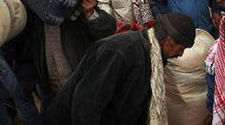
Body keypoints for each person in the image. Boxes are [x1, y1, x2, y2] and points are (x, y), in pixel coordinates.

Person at [45, 13, 197, 124]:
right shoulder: (120, 51)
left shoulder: (153, 57)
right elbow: (86, 105)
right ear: (168, 41)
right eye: (180, 48)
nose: (181, 54)